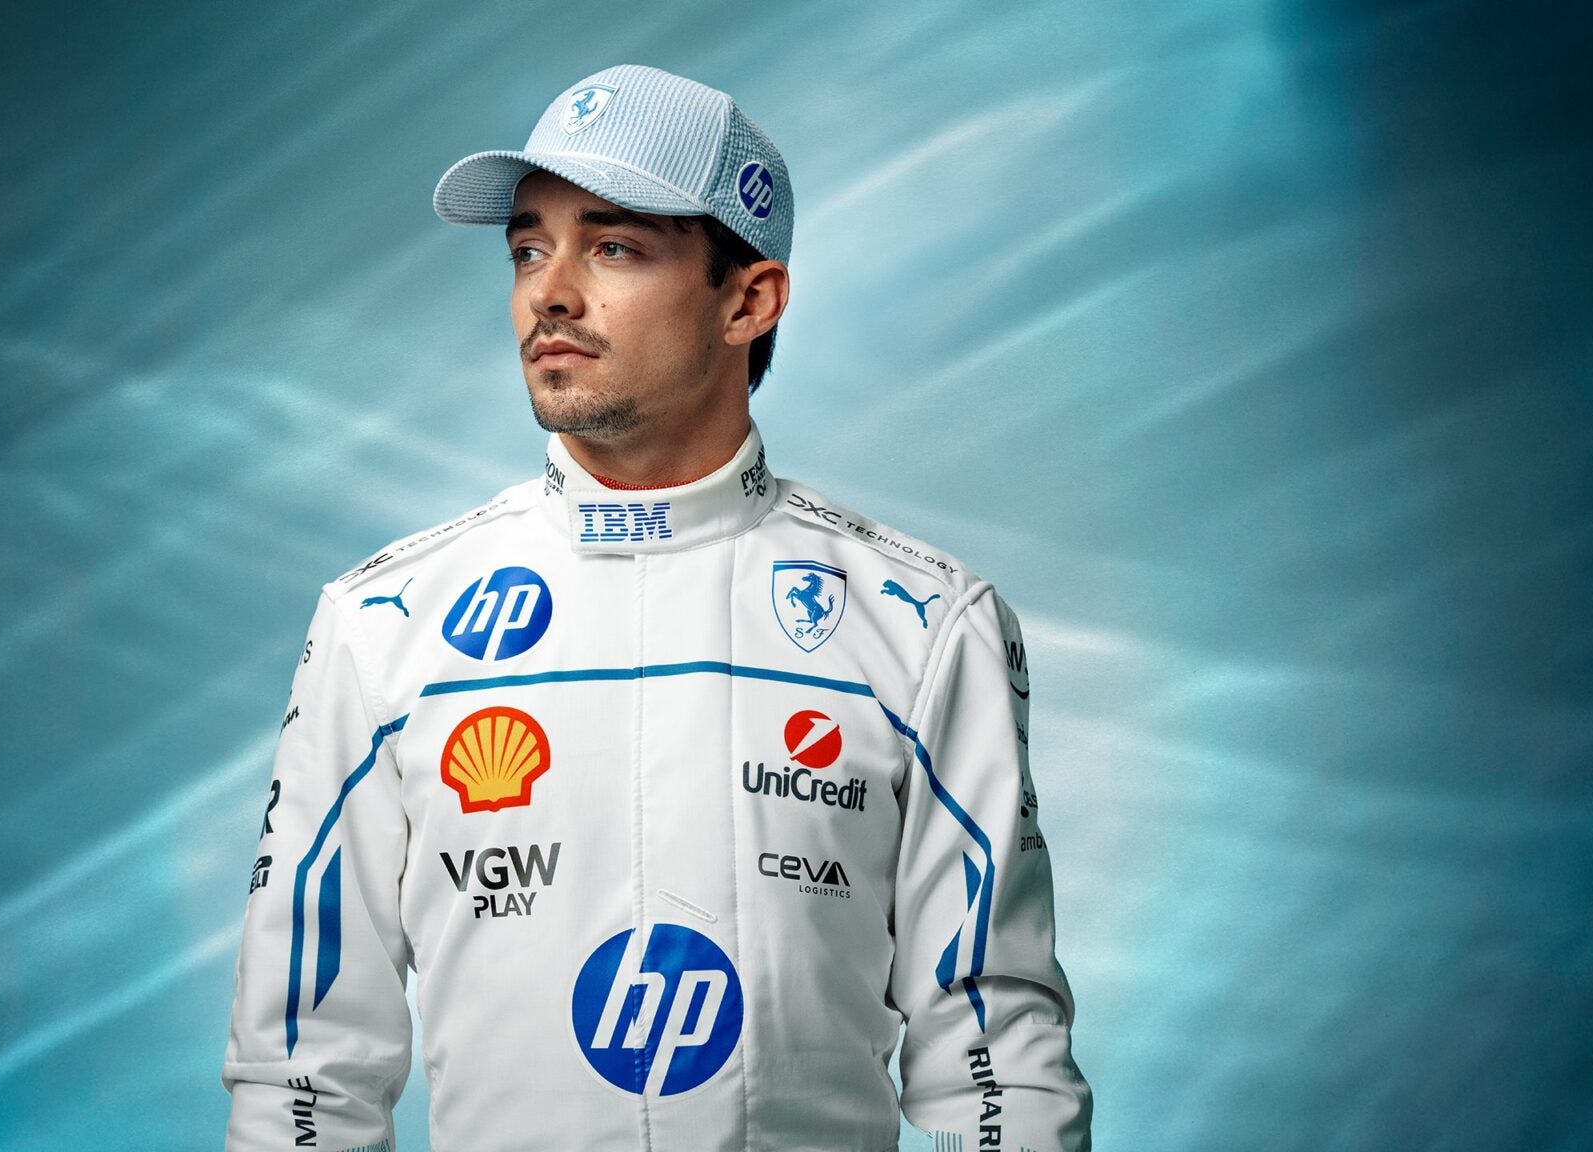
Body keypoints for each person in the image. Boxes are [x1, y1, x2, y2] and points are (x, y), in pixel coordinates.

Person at [221, 63, 1093, 1152]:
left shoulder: (922, 623)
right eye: (528, 247)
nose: (550, 290)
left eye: (614, 246)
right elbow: (303, 1069)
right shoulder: (382, 621)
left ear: (748, 299)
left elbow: (993, 1054)